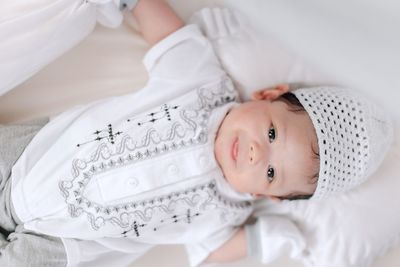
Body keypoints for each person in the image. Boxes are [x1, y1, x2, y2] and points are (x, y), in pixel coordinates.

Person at [0, 0, 392, 266]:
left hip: (62, 244)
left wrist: (272, 237)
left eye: (272, 172)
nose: (257, 154)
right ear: (268, 95)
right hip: (32, 157)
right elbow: (168, 35)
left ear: (266, 194)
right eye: (272, 133)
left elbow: (215, 251)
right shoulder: (201, 81)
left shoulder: (225, 213)